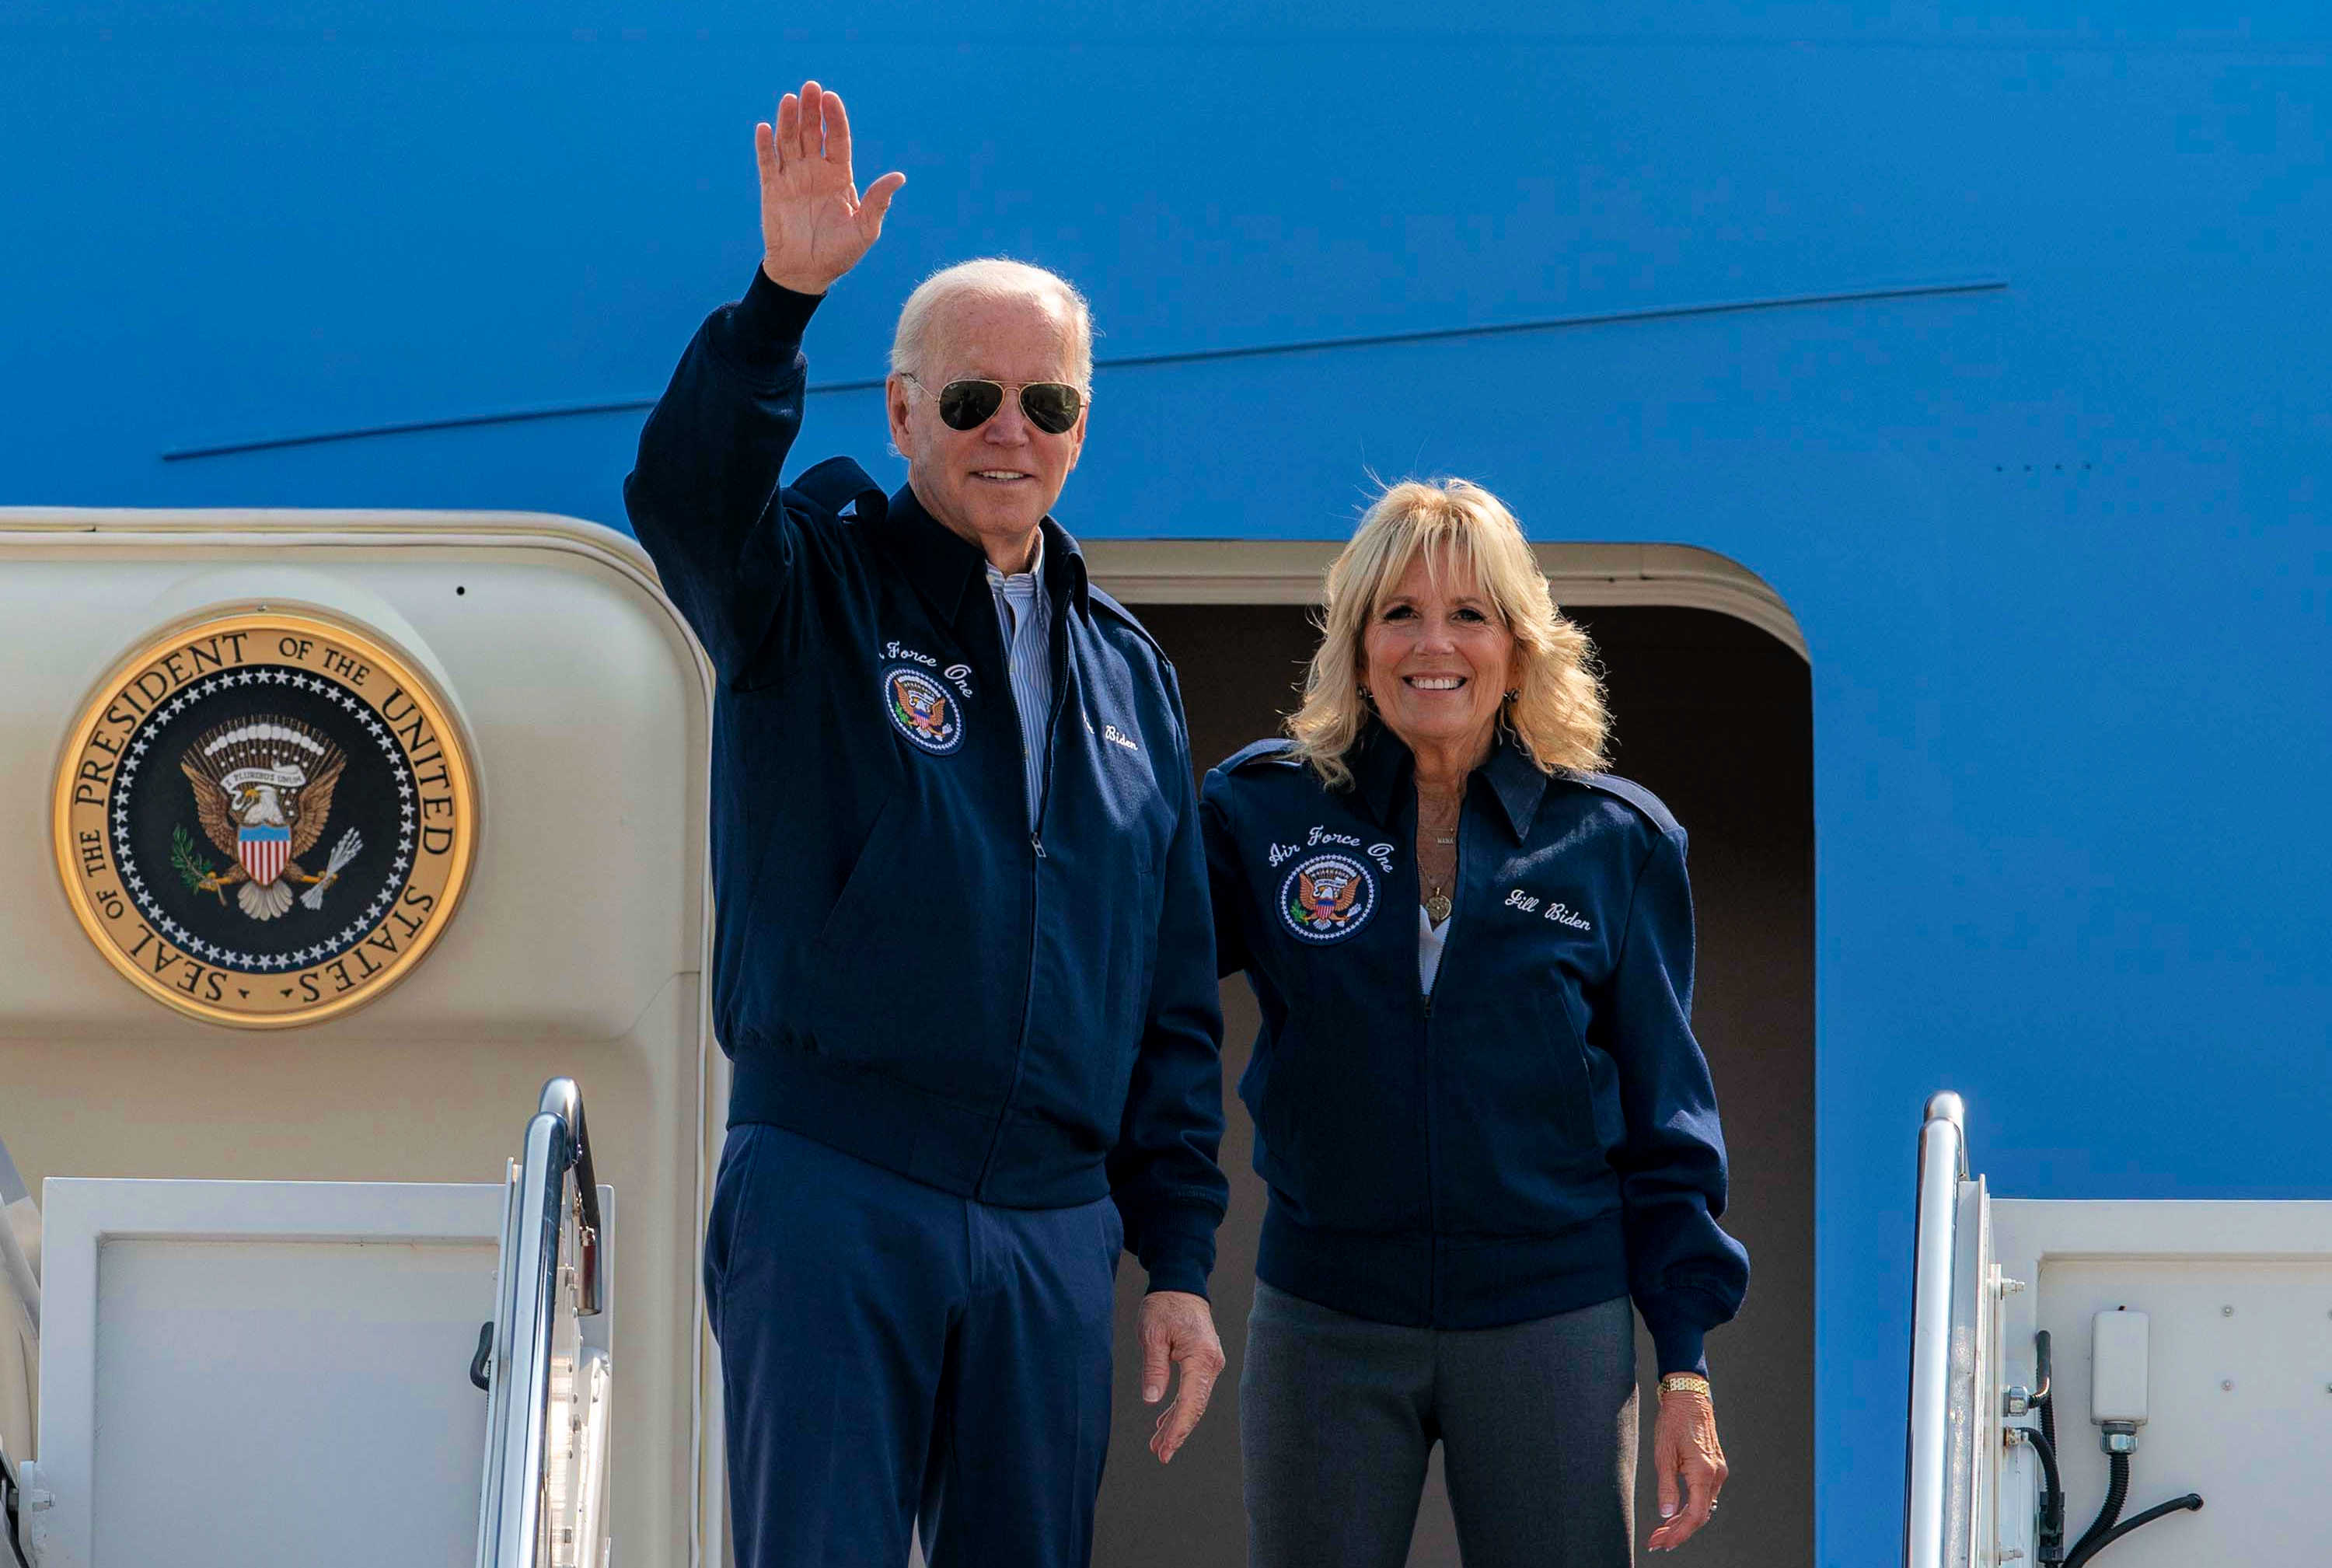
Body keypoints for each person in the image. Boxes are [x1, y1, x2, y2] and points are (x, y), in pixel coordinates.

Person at [624, 82, 1230, 1568]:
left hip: (1049, 1223)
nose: (1010, 431)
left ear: (1085, 425)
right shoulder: (811, 586)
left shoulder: (1131, 678)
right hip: (837, 1186)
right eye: (971, 400)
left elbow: (1168, 1003)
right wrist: (780, 304)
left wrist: (1179, 1258)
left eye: (1049, 403)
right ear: (903, 411)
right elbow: (686, 500)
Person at [1201, 479, 1751, 1565]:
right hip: (1327, 1317)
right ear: (1357, 644)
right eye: (1398, 612)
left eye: (1469, 614)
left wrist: (1683, 1362)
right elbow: (1137, 1003)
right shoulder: (1259, 812)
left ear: (1520, 643)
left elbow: (1669, 1121)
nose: (1431, 643)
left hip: (1551, 1322)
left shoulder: (1617, 842)